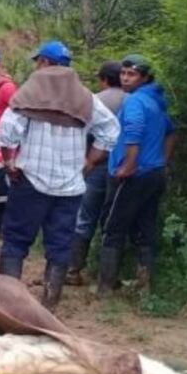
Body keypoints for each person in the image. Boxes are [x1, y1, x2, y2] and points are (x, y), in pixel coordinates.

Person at [0, 40, 120, 310]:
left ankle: (7, 304)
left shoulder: (32, 90)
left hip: (30, 181)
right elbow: (111, 130)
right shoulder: (85, 97)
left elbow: (7, 130)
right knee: (60, 246)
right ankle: (49, 305)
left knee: (16, 241)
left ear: (43, 62)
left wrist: (9, 162)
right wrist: (89, 162)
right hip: (70, 187)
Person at [96, 55, 176, 296]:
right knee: (144, 229)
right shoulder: (158, 101)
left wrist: (129, 165)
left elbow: (134, 130)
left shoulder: (135, 102)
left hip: (132, 175)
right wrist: (164, 161)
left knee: (112, 228)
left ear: (144, 77)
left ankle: (105, 287)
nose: (125, 78)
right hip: (154, 174)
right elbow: (172, 133)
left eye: (131, 74)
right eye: (123, 73)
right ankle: (144, 286)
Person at [67, 60, 126, 286]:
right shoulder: (131, 100)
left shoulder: (95, 101)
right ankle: (107, 277)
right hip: (123, 167)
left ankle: (72, 270)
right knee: (112, 221)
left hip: (96, 164)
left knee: (84, 217)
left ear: (103, 79)